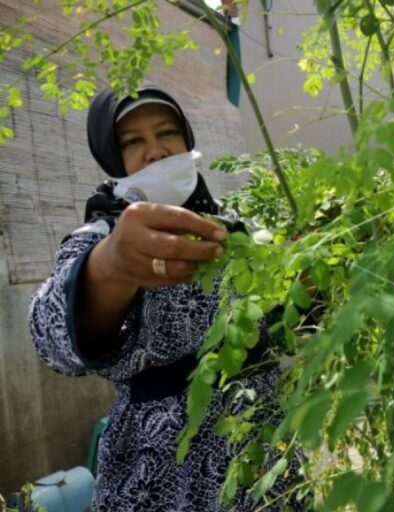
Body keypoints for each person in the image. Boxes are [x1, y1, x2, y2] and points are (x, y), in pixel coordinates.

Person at [28, 84, 305, 511]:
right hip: (163, 470)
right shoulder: (101, 238)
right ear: (109, 156)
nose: (155, 152)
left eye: (166, 133)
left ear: (187, 142)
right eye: (132, 141)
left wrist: (309, 280)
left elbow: (285, 324)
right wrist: (108, 271)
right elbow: (51, 339)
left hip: (262, 451)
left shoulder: (236, 230)